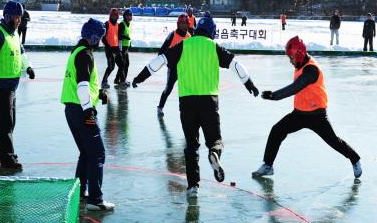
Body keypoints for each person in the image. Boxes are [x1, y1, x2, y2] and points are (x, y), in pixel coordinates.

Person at [132, 14, 259, 198]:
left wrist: (139, 78)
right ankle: (214, 153)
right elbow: (236, 65)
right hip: (209, 101)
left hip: (187, 103)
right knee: (215, 140)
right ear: (212, 32)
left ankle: (193, 187)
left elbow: (158, 61)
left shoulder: (184, 45)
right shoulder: (214, 47)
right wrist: (249, 84)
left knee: (191, 146)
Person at [252, 36, 362, 179]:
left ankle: (355, 159)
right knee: (277, 130)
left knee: (334, 141)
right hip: (299, 114)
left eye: (291, 57)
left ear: (299, 54)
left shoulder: (311, 70)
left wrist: (274, 95)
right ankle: (268, 166)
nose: (290, 60)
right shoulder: (299, 64)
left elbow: (295, 87)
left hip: (317, 116)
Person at [60, 18, 114, 211]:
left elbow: (83, 83)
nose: (100, 41)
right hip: (82, 111)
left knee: (86, 152)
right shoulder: (85, 55)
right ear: (92, 37)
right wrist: (89, 111)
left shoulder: (77, 51)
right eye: (99, 37)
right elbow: (82, 85)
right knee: (97, 153)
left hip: (71, 109)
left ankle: (80, 191)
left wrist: (98, 93)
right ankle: (95, 199)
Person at [0, 0, 35, 169]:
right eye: (16, 17)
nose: (19, 20)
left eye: (20, 17)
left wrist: (28, 67)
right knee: (6, 123)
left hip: (12, 87)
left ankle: (0, 155)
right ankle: (7, 158)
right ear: (7, 17)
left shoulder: (13, 34)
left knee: (10, 123)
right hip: (0, 87)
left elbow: (21, 53)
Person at [157, 13, 191, 116]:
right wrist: (168, 61)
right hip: (173, 68)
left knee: (186, 89)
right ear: (178, 24)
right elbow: (161, 51)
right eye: (182, 23)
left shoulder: (189, 36)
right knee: (168, 88)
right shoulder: (172, 35)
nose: (184, 26)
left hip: (184, 68)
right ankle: (160, 107)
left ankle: (186, 110)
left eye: (186, 23)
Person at [101, 8, 125, 88]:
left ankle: (122, 81)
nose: (114, 17)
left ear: (118, 17)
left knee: (121, 64)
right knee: (111, 66)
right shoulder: (107, 24)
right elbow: (103, 38)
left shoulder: (118, 25)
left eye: (116, 16)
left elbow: (117, 36)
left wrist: (122, 36)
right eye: (113, 16)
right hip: (109, 48)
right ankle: (104, 82)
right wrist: (107, 45)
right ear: (110, 16)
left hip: (116, 47)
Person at [115, 8, 132, 85]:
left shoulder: (129, 24)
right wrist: (125, 37)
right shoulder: (122, 24)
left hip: (126, 48)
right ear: (124, 16)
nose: (129, 17)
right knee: (123, 65)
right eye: (128, 16)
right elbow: (119, 36)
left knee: (126, 64)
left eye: (130, 16)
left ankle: (119, 79)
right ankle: (122, 80)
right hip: (121, 48)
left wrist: (129, 44)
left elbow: (127, 35)